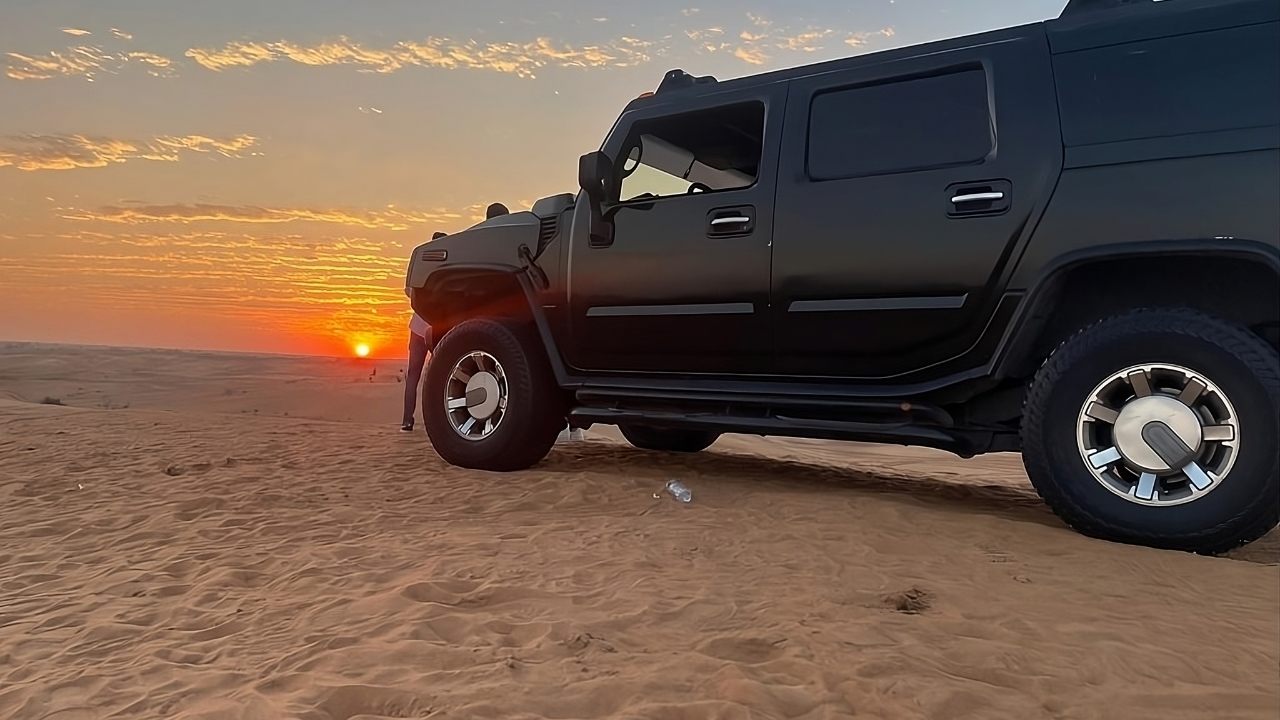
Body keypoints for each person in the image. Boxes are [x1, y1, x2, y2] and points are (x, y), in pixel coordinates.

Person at [401, 295, 432, 432]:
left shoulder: (423, 283)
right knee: (436, 376)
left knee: (412, 378)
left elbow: (409, 291)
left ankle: (407, 421)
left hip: (418, 329)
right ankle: (433, 422)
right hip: (434, 329)